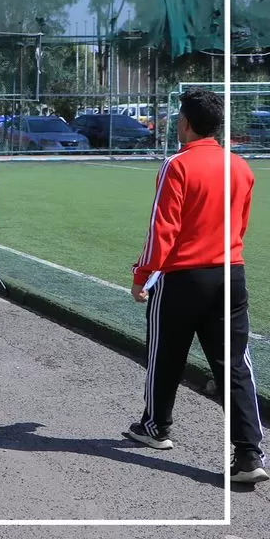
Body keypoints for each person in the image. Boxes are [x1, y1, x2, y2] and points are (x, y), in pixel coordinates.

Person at [125, 88, 266, 484]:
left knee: (164, 355)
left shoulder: (177, 165)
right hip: (230, 272)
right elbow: (241, 224)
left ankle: (155, 427)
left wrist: (141, 275)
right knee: (236, 364)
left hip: (183, 276)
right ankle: (249, 453)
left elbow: (162, 230)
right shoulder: (241, 166)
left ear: (185, 123)